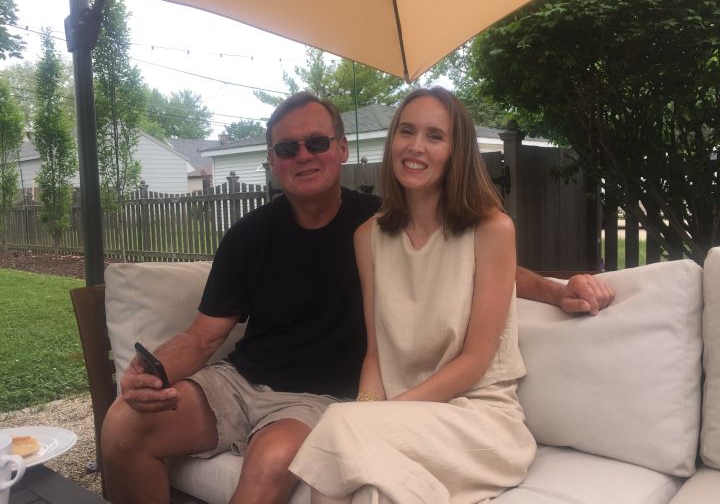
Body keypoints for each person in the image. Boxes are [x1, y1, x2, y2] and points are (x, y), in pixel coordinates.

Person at [101, 91, 614, 504]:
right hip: (242, 382)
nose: (304, 155)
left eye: (316, 142)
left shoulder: (381, 219)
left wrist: (556, 289)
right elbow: (203, 335)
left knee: (290, 463)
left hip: (319, 401)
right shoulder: (282, 235)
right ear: (272, 162)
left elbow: (476, 270)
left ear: (342, 149)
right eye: (287, 149)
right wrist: (152, 374)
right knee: (123, 424)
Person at [289, 87, 537, 503]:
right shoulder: (368, 237)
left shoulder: (492, 230)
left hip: (478, 422)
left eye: (434, 136)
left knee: (339, 428)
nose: (416, 146)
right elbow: (375, 355)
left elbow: (475, 361)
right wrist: (369, 411)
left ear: (456, 151)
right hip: (402, 423)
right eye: (406, 131)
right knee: (368, 487)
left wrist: (376, 417)